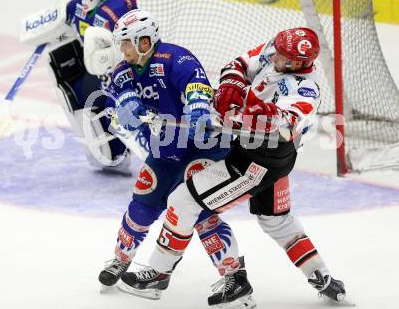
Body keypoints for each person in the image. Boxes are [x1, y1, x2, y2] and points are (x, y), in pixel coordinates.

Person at [119, 28, 348, 308]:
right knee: (275, 220)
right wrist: (233, 85)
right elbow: (237, 65)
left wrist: (242, 114)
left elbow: (283, 125)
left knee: (183, 200)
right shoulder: (275, 50)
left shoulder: (306, 88)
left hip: (260, 159)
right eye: (277, 51)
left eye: (286, 59)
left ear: (301, 64)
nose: (275, 58)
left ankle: (165, 273)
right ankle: (323, 277)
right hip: (264, 154)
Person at [96, 8, 243, 299]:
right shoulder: (123, 72)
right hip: (165, 150)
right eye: (121, 43)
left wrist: (198, 111)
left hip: (204, 149)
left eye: (127, 42)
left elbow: (198, 91)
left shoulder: (178, 59)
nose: (122, 49)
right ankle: (121, 259)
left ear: (146, 41)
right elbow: (125, 99)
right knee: (142, 203)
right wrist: (128, 112)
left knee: (199, 213)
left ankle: (234, 277)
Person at [21, 0, 140, 171]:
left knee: (119, 109)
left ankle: (132, 150)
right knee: (78, 98)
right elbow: (53, 24)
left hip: (126, 73)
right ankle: (112, 151)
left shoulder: (119, 7)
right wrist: (50, 27)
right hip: (98, 70)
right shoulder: (78, 6)